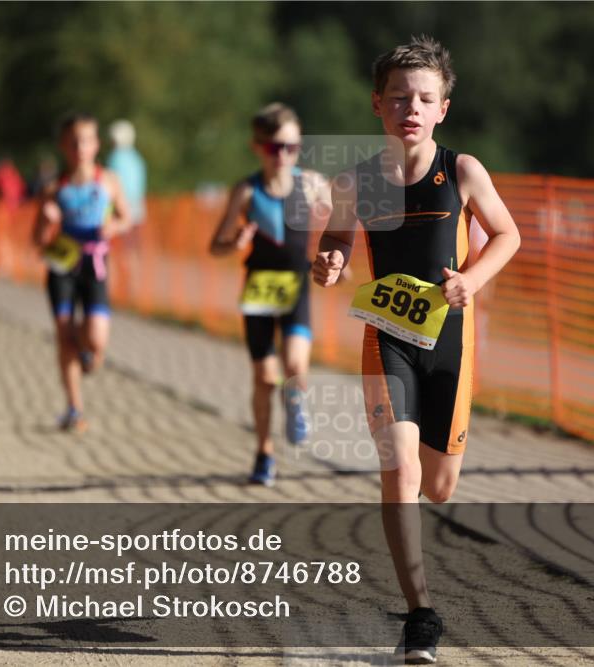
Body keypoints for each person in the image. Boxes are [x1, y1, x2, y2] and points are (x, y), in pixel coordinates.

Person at [313, 36, 521, 664]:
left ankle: (418, 595)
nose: (411, 106)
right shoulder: (357, 181)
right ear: (378, 104)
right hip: (388, 340)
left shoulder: (462, 171)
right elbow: (337, 244)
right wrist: (330, 263)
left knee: (439, 487)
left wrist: (470, 279)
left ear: (442, 110)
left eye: (424, 98)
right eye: (399, 97)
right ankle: (420, 614)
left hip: (450, 344)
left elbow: (508, 234)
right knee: (399, 473)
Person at [209, 103, 332, 486]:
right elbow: (216, 245)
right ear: (258, 147)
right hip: (260, 288)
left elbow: (344, 221)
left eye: (292, 147)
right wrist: (236, 241)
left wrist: (335, 258)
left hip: (296, 284)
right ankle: (264, 451)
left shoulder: (311, 184)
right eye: (275, 147)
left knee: (295, 365)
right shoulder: (246, 191)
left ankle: (296, 404)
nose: (284, 156)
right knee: (265, 376)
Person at [32, 112, 132, 433]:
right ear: (64, 146)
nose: (80, 147)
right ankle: (74, 408)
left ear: (96, 145)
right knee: (64, 337)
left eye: (86, 140)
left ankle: (87, 348)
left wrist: (112, 226)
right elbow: (36, 240)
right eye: (74, 141)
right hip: (62, 266)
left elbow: (126, 217)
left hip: (94, 265)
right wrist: (47, 222)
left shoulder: (108, 181)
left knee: (96, 340)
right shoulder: (53, 188)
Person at [107, 119, 147, 226]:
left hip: (122, 205)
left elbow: (112, 183)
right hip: (137, 204)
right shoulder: (136, 157)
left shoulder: (115, 157)